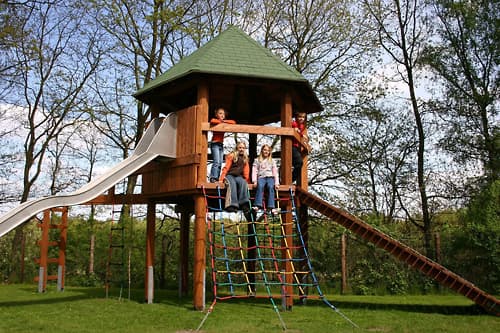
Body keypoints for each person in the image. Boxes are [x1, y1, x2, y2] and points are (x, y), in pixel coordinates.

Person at [219, 142, 251, 214]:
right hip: (230, 175)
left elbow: (246, 171)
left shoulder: (245, 158)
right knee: (232, 184)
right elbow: (226, 167)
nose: (241, 149)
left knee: (243, 182)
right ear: (237, 148)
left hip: (238, 176)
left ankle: (244, 204)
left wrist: (246, 180)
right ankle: (231, 205)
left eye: (243, 148)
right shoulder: (232, 156)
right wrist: (221, 179)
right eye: (240, 147)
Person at [209, 107, 236, 183]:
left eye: (223, 114)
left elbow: (233, 122)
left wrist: (223, 121)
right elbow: (212, 120)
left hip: (221, 144)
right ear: (216, 114)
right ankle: (213, 177)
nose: (222, 115)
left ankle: (217, 178)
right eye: (220, 113)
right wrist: (221, 121)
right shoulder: (215, 121)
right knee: (216, 162)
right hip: (215, 143)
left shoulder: (223, 122)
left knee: (220, 162)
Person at [252, 144, 280, 214]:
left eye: (268, 150)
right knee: (260, 186)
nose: (266, 151)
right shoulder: (257, 160)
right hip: (261, 177)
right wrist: (254, 181)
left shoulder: (272, 161)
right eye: (265, 150)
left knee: (271, 187)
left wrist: (277, 183)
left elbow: (275, 172)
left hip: (270, 177)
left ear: (270, 152)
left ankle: (271, 207)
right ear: (262, 151)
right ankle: (257, 205)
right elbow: (254, 171)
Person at [291, 111, 309, 183]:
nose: (301, 119)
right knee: (299, 162)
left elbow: (301, 134)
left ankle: (291, 178)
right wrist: (302, 135)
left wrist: (306, 143)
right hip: (291, 146)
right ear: (296, 117)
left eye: (303, 117)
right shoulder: (294, 123)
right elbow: (296, 130)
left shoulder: (302, 126)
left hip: (297, 147)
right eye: (300, 117)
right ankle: (291, 179)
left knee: (298, 164)